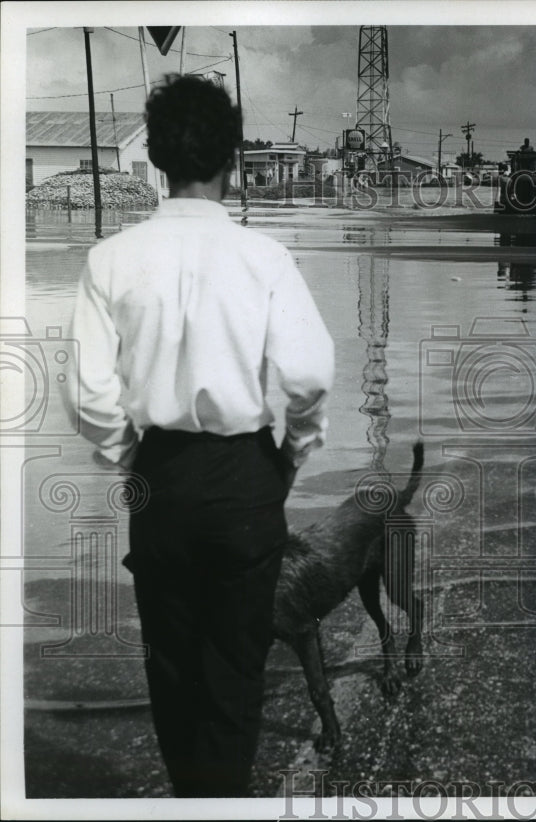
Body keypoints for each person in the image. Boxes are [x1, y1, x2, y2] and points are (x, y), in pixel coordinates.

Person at [62, 73, 334, 797]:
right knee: (234, 676)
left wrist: (133, 459)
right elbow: (308, 375)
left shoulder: (109, 260)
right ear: (233, 160)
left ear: (154, 159)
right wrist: (290, 455)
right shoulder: (265, 258)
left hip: (162, 479)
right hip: (246, 476)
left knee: (173, 673)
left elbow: (90, 395)